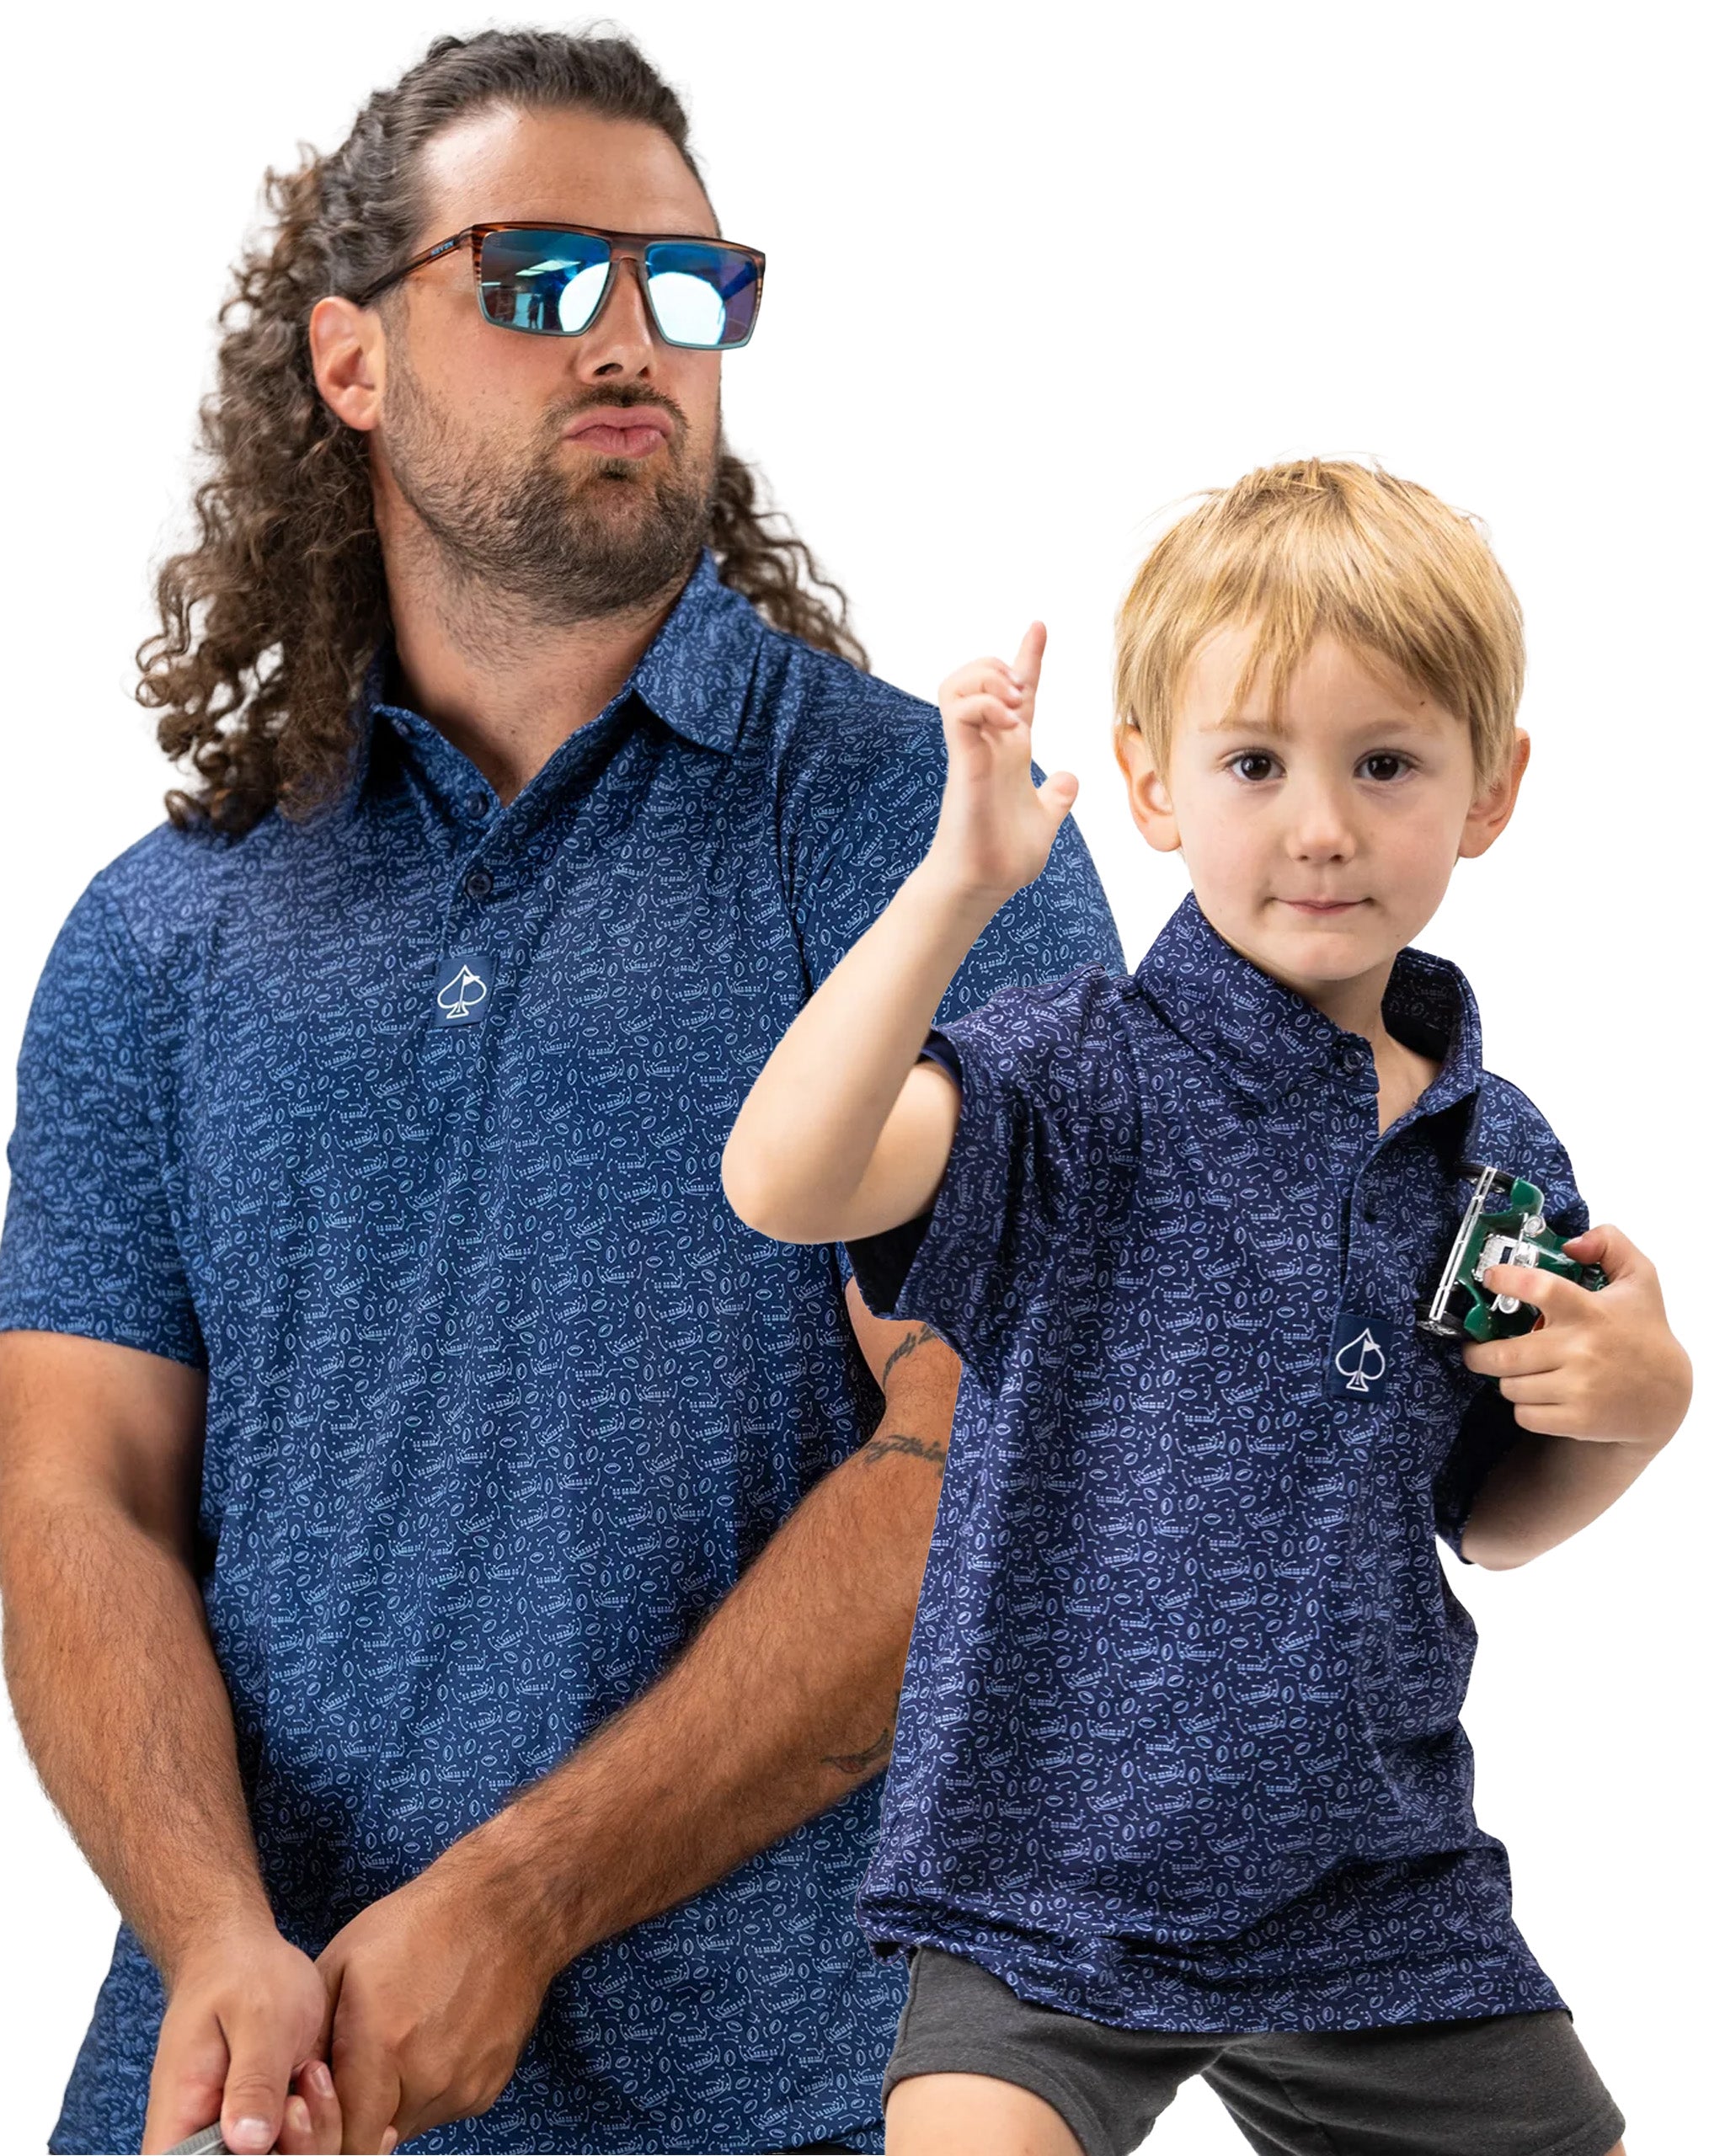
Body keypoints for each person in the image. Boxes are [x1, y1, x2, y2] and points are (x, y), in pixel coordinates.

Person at [0, 29, 1123, 2156]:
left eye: (685, 286)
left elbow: (989, 1454)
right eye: (535, 279)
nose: (629, 338)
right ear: (349, 361)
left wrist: (521, 1898)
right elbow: (77, 1495)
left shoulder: (919, 834)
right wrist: (219, 1930)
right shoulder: (162, 929)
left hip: (793, 2099)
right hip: (247, 2094)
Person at [723, 460, 1691, 2156]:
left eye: (1384, 763)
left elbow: (1494, 1516)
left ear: (1490, 788)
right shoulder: (1064, 1074)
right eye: (1256, 763)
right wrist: (952, 884)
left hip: (1375, 1888)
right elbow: (784, 1181)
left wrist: (1637, 1406)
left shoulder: (1489, 1141)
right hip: (1045, 1879)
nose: (1320, 826)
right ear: (1156, 786)